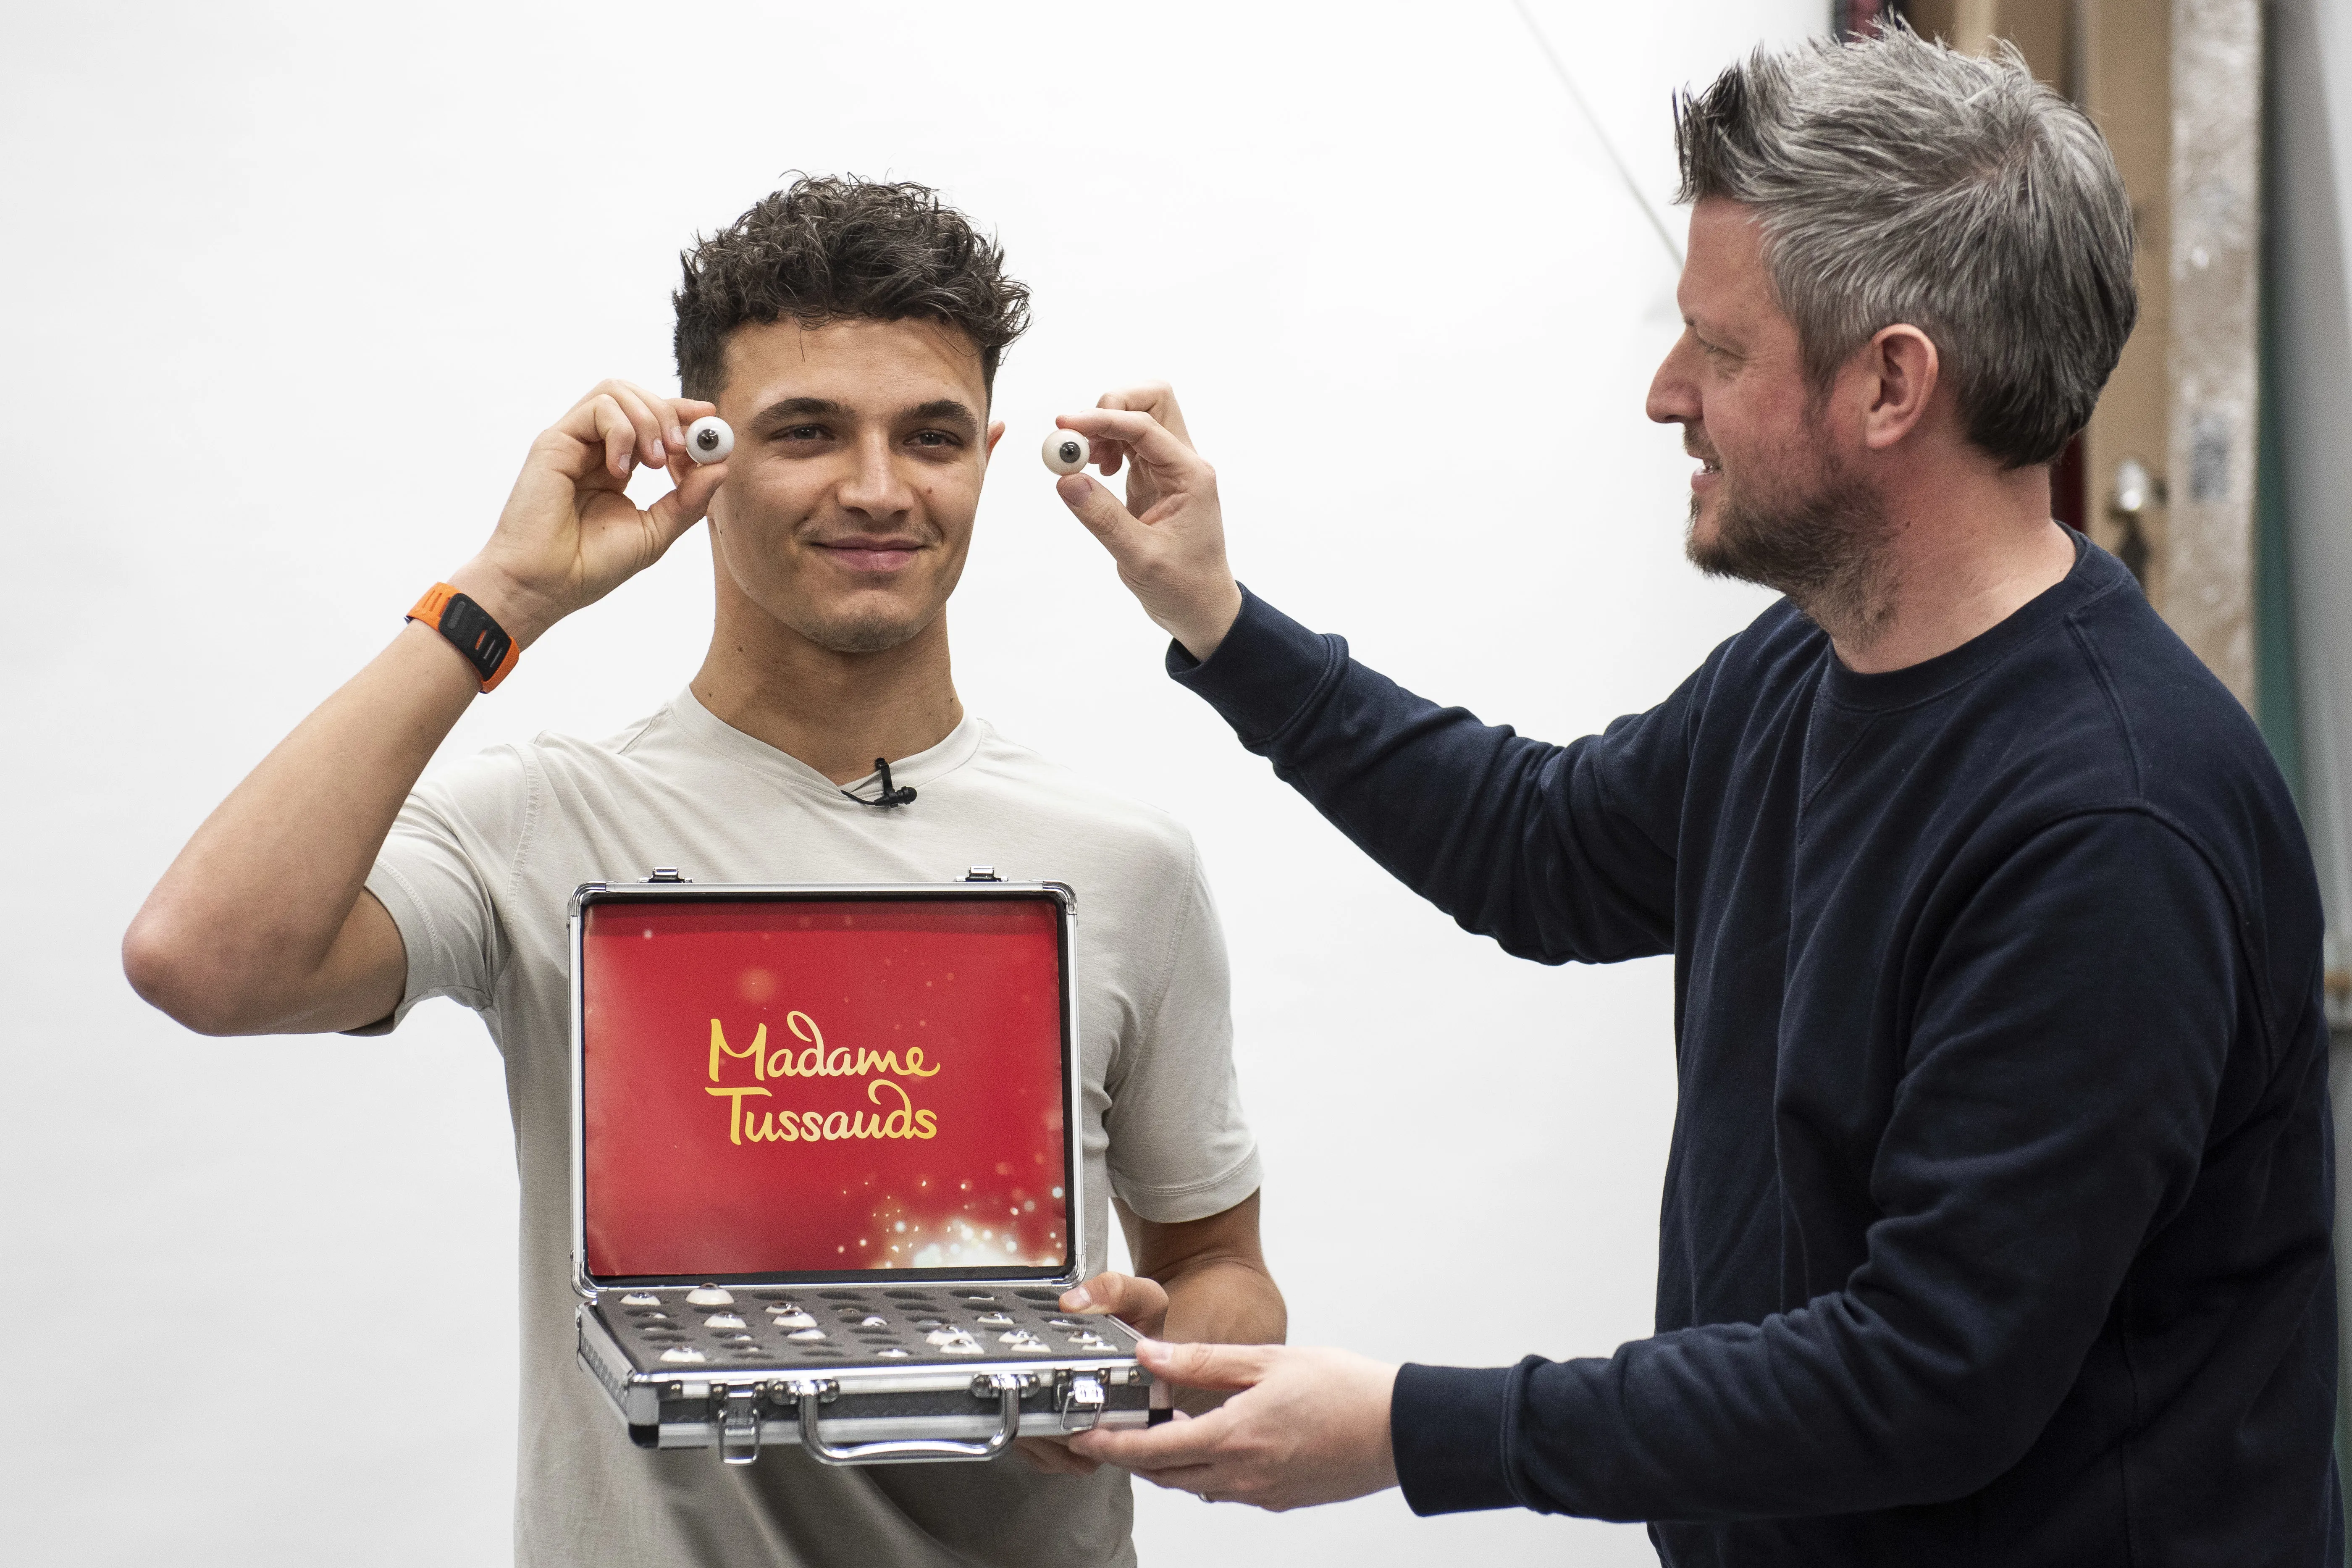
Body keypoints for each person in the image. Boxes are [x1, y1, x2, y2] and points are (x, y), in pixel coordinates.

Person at [1046, 29, 2339, 1566]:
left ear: (1891, 383)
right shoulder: (1805, 675)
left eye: (1718, 350)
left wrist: (1410, 1426)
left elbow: (1927, 1375)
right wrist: (1221, 621)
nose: (1668, 394)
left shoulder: (2109, 829)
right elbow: (1540, 848)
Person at [122, 175, 1284, 1568]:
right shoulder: (543, 824)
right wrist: (507, 592)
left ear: (987, 454)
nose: (877, 488)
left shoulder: (1125, 863)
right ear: (706, 453)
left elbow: (1221, 1266)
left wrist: (1149, 1365)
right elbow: (204, 957)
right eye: (807, 432)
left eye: (932, 436)